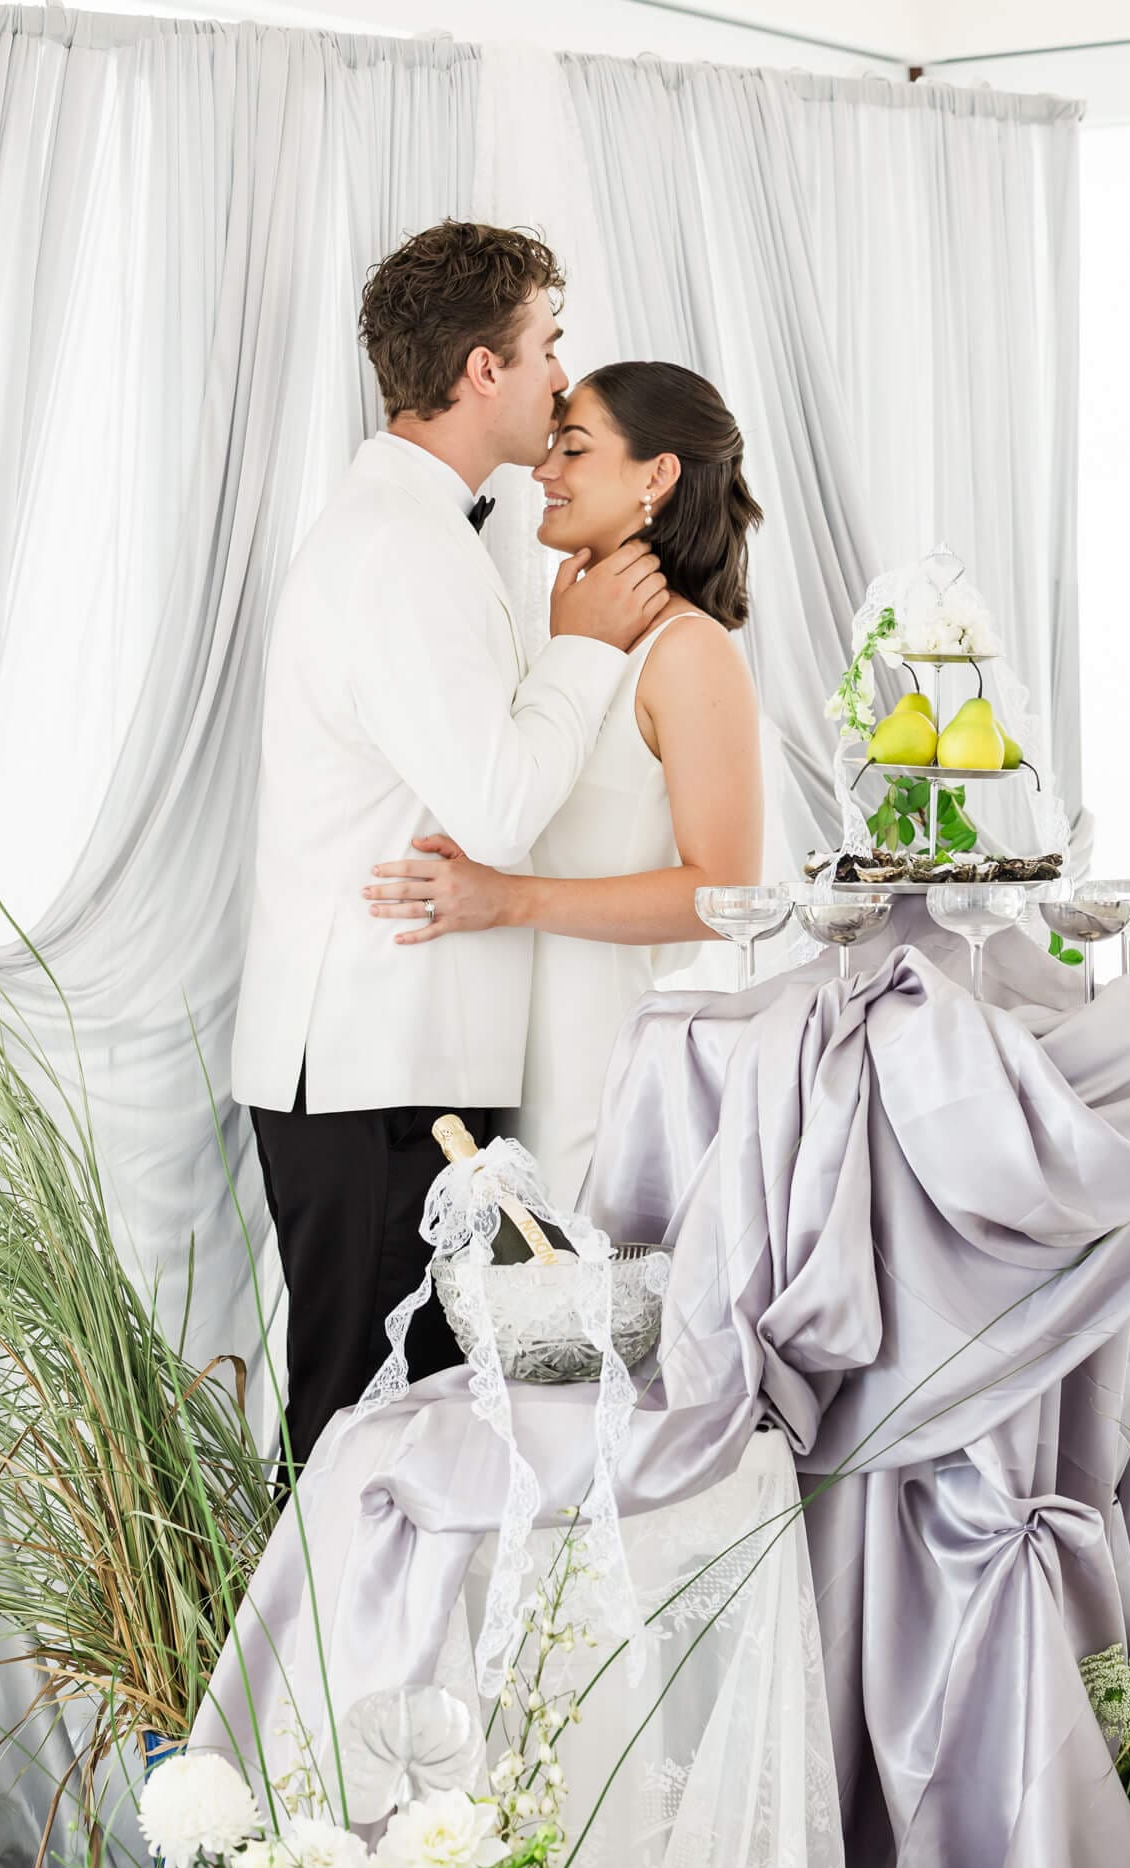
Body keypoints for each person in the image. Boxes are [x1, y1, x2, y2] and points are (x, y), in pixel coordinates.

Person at [230, 224, 668, 1473]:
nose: (560, 384)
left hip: (395, 1062)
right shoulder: (399, 547)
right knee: (362, 1441)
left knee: (404, 1436)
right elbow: (498, 803)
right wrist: (583, 643)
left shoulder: (422, 532)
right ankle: (302, 1675)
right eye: (548, 348)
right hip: (376, 1069)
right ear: (485, 368)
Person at [362, 360, 766, 1206]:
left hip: (602, 1070)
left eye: (573, 449)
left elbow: (724, 892)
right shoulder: (579, 644)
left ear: (657, 474)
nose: (542, 470)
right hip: (513, 1063)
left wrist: (507, 899)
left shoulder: (689, 653)